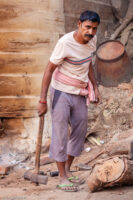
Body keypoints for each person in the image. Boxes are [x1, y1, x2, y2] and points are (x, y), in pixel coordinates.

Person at [37, 10, 101, 192]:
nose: (91, 32)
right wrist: (42, 100)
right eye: (87, 27)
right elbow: (49, 70)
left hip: (80, 91)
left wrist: (94, 87)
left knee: (80, 132)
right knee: (60, 134)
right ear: (79, 24)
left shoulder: (92, 41)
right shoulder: (65, 43)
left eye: (94, 29)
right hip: (61, 91)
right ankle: (63, 177)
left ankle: (66, 170)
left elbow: (88, 63)